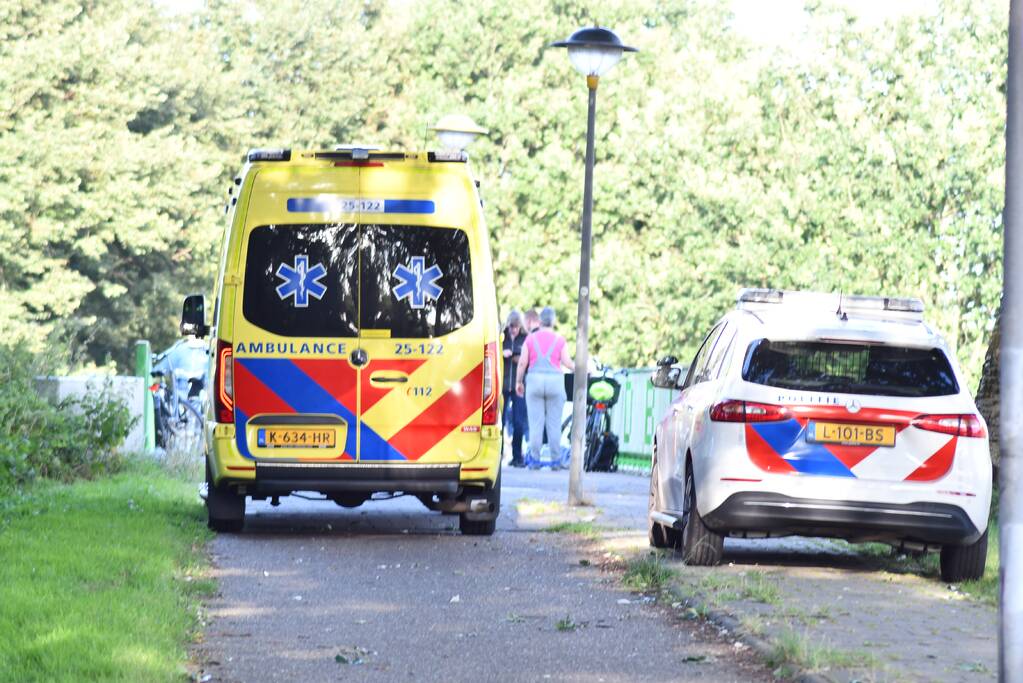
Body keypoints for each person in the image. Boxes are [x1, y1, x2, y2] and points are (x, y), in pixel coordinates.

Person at [516, 307, 574, 469]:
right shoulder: (560, 340)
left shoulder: (530, 339)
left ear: (540, 321)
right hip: (555, 382)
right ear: (553, 321)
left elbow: (522, 363)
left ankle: (534, 460)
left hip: (534, 381)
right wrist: (583, 370)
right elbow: (567, 363)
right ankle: (556, 461)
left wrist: (519, 382)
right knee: (554, 424)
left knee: (536, 424)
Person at [501, 310, 528, 467]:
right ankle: (498, 455)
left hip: (519, 385)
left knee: (518, 422)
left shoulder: (525, 339)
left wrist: (516, 358)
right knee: (501, 421)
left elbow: (527, 359)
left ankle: (517, 456)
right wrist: (502, 353)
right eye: (511, 326)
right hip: (503, 385)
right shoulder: (502, 337)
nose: (514, 329)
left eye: (516, 327)